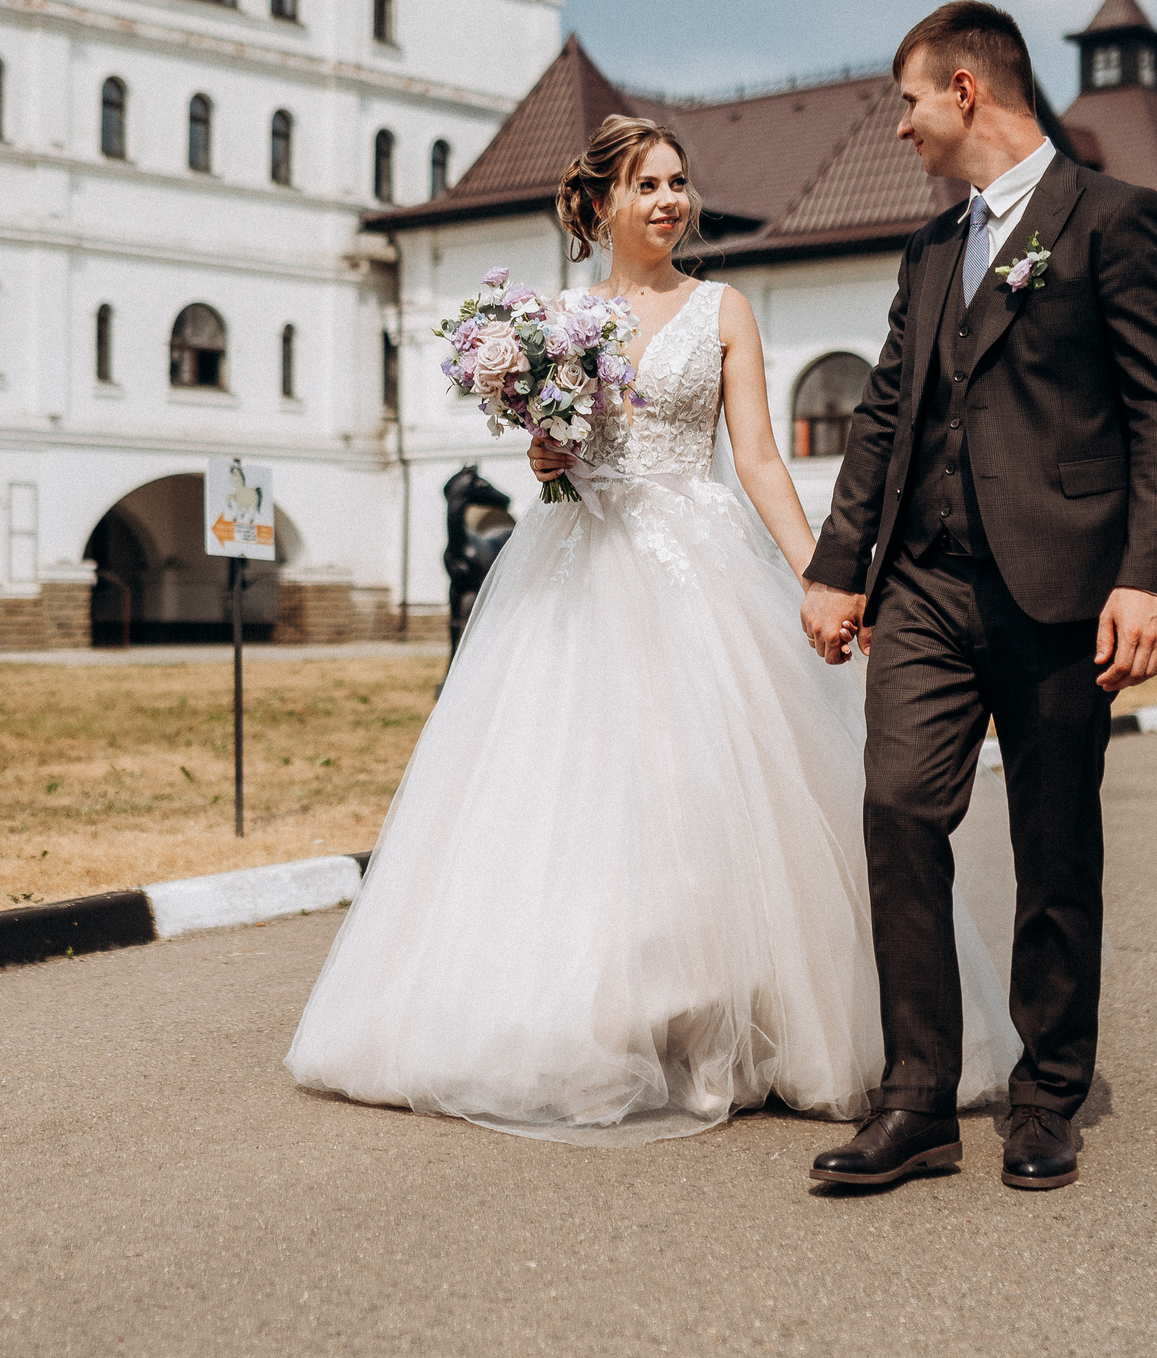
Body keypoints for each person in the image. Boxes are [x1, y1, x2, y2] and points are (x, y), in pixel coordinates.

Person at [286, 114, 1022, 1145]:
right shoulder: (554, 321)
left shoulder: (723, 307)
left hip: (700, 560)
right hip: (579, 568)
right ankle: (605, 1021)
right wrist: (546, 458)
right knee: (572, 794)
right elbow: (557, 454)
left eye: (679, 183)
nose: (670, 201)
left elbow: (758, 457)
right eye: (647, 185)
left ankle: (734, 1015)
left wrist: (825, 572)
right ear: (599, 206)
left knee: (711, 790)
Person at [799, 1, 1157, 1192]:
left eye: (910, 103)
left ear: (966, 90)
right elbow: (884, 416)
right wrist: (836, 565)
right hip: (923, 585)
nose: (904, 127)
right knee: (899, 808)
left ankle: (1046, 1093)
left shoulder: (1112, 219)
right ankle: (917, 1098)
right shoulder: (930, 251)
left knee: (1053, 837)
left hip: (1066, 585)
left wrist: (1146, 577)